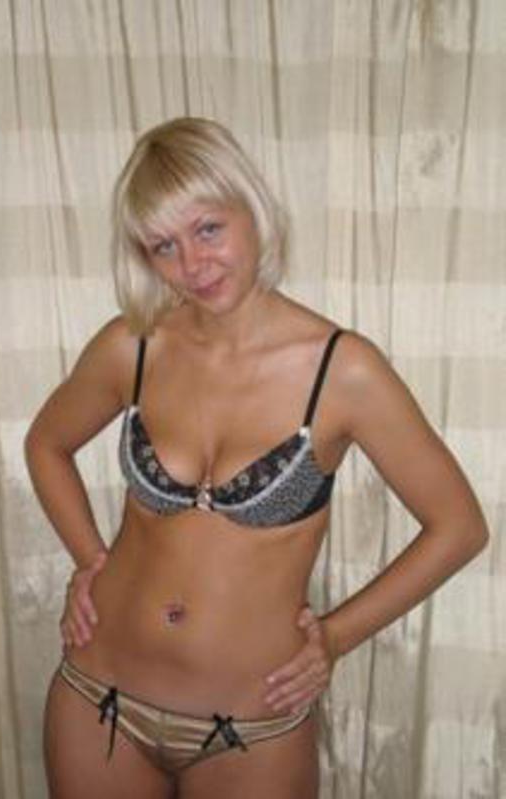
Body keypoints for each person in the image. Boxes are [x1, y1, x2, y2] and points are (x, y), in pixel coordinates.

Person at [24, 117, 488, 799]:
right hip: (99, 698)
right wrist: (90, 559)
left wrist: (335, 636)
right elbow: (46, 443)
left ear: (253, 209)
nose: (193, 264)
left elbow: (460, 527)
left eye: (208, 229)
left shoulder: (343, 370)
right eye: (164, 245)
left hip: (251, 726)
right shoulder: (133, 345)